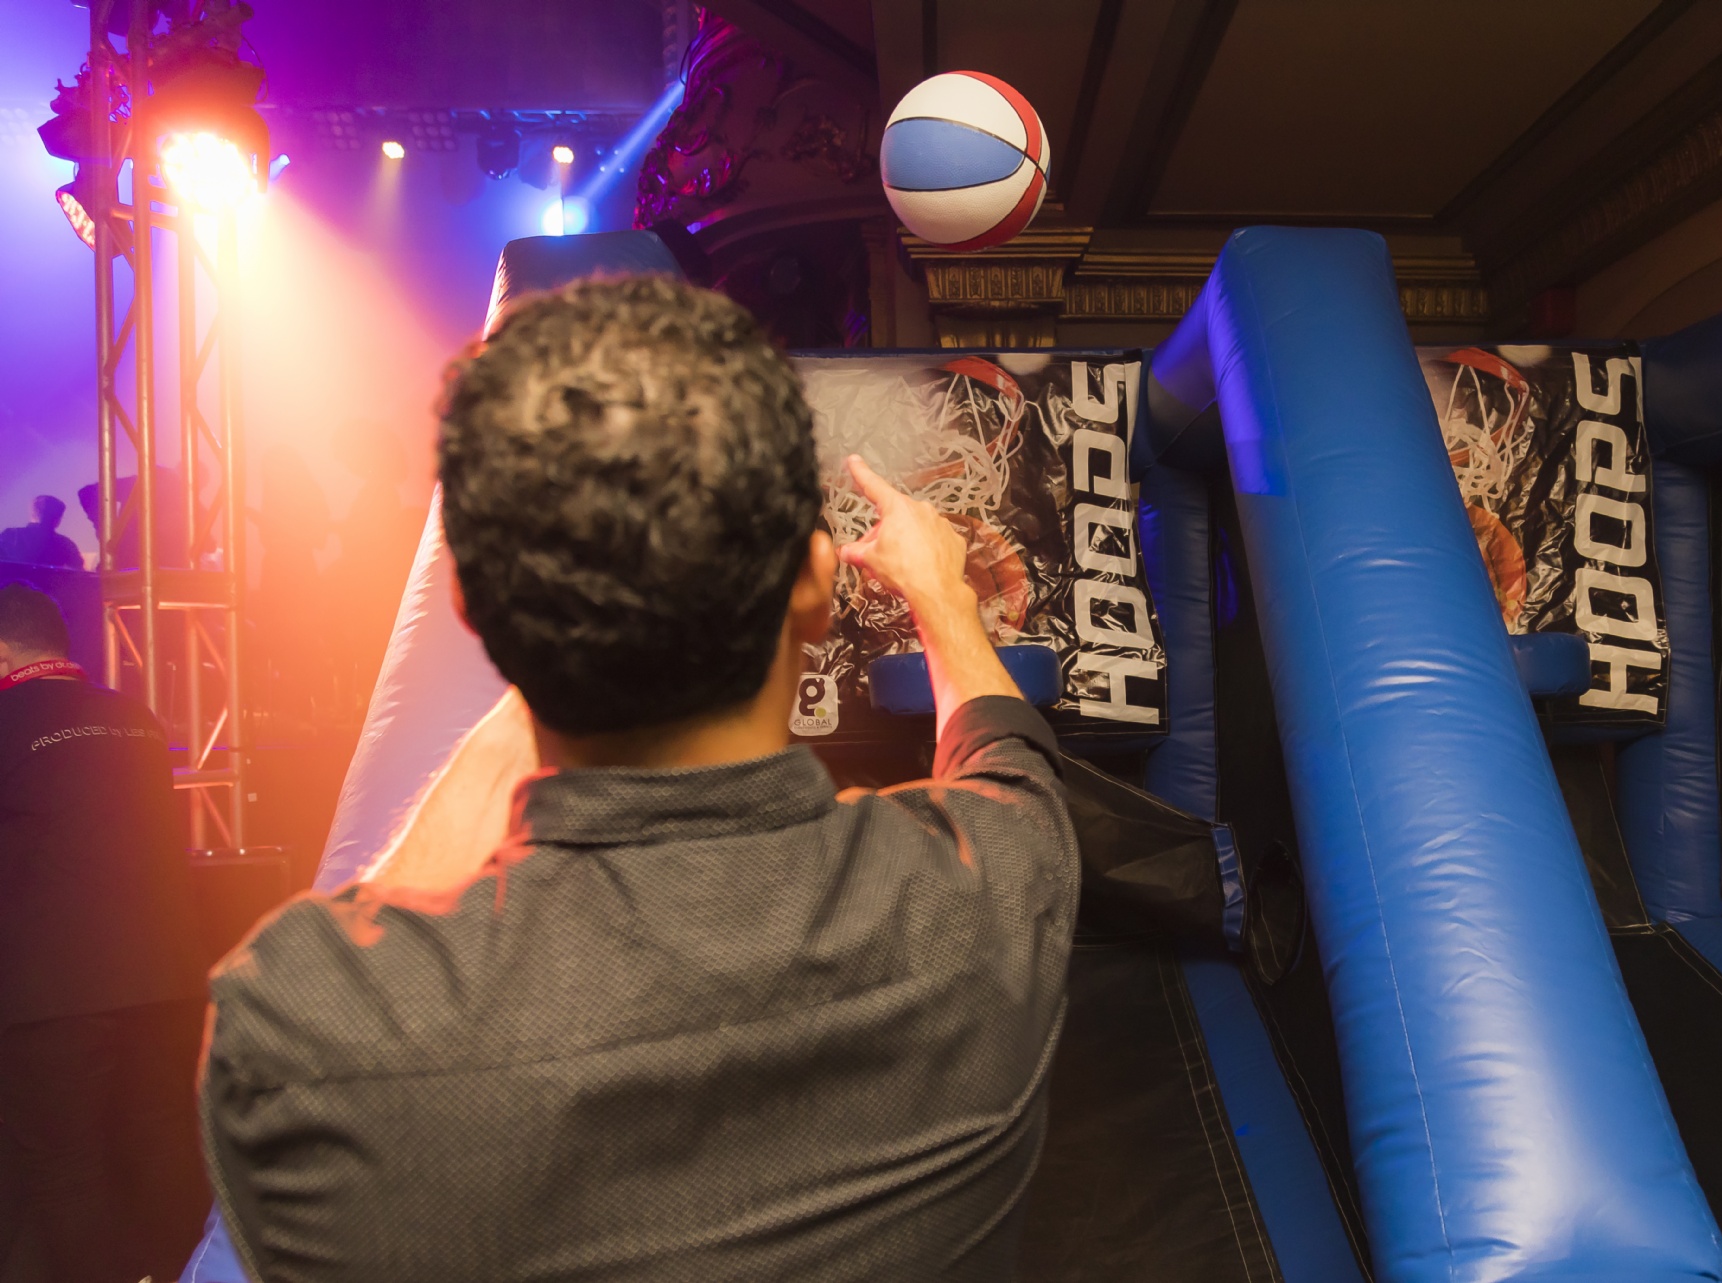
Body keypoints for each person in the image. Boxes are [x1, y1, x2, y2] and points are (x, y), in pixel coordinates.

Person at [201, 276, 1079, 1281]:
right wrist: (943, 599)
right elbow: (1003, 753)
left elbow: (374, 939)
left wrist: (558, 610)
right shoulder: (997, 890)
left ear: (472, 610)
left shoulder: (294, 1031)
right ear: (813, 580)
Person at [0, 582, 209, 1283]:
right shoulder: (134, 717)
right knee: (163, 1151)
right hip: (164, 981)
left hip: (51, 995)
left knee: (66, 1171)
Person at [0, 497, 83, 570]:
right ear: (57, 520)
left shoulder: (10, 535)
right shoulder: (66, 544)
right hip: (49, 584)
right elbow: (79, 574)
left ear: (32, 513)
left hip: (11, 583)